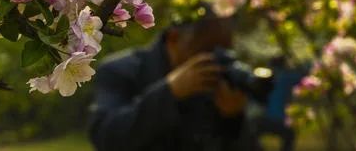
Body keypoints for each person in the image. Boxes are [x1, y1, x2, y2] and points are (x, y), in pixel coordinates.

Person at [88, 16, 248, 151]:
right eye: (205, 50)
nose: (213, 61)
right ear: (173, 38)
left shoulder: (217, 84)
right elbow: (106, 137)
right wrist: (169, 92)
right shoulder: (120, 70)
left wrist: (233, 119)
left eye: (223, 53)